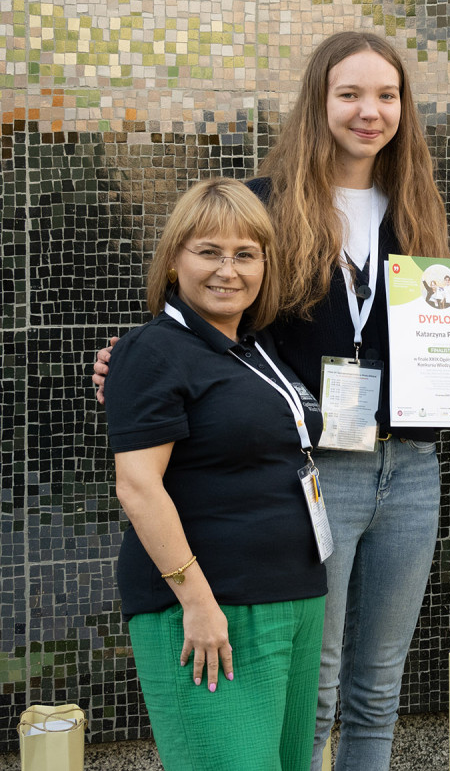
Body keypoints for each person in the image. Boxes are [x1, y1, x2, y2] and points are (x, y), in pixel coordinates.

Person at [94, 31, 450, 771]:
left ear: (404, 107)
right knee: (315, 688)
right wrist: (130, 363)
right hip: (317, 472)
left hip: (411, 469)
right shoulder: (266, 205)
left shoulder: (416, 207)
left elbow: (426, 340)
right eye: (349, 94)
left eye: (386, 95)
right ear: (318, 101)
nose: (369, 111)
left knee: (379, 686)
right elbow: (211, 320)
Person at [105, 178, 326, 771]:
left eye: (245, 254)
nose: (229, 270)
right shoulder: (153, 350)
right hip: (211, 606)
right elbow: (138, 486)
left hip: (294, 597)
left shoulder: (256, 347)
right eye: (209, 252)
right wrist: (198, 603)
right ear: (173, 260)